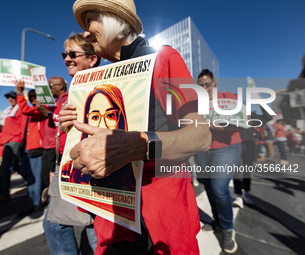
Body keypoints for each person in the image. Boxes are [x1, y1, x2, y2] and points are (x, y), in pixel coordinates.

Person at [60, 1, 211, 254]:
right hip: (112, 216)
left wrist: (140, 146)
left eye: (90, 22)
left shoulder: (163, 58)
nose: (86, 33)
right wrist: (73, 126)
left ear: (115, 21)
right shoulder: (98, 80)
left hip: (161, 219)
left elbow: (201, 136)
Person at [40, 33, 100, 255]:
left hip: (87, 168)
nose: (66, 58)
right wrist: (57, 167)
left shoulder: (96, 88)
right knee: (59, 223)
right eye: (65, 54)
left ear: (92, 59)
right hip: (66, 166)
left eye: (73, 54)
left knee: (93, 230)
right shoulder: (74, 91)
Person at [194, 69, 241, 253]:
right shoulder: (197, 104)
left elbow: (239, 121)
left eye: (207, 84)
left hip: (227, 146)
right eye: (201, 85)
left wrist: (218, 126)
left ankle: (228, 228)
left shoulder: (227, 96)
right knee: (207, 184)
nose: (204, 88)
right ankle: (218, 222)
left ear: (214, 83)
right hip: (204, 149)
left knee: (219, 187)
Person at [61, 84, 136, 191]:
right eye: (95, 117)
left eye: (110, 115)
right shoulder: (69, 170)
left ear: (121, 119)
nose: (102, 124)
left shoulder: (136, 169)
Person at [0, 91, 28, 204]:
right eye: (8, 97)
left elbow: (23, 127)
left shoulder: (20, 109)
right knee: (17, 166)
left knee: (5, 168)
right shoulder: (9, 111)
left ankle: (3, 193)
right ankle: (37, 184)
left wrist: (21, 141)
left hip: (14, 141)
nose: (10, 99)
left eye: (12, 97)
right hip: (8, 142)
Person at [16, 84, 48, 210]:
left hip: (38, 149)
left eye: (35, 96)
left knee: (36, 178)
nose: (33, 99)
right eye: (30, 97)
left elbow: (24, 109)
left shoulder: (42, 109)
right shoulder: (31, 112)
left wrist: (20, 93)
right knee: (30, 177)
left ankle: (35, 204)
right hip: (27, 148)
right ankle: (35, 201)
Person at [232, 127, 255, 208]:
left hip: (248, 146)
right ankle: (238, 196)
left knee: (247, 171)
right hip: (234, 143)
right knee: (237, 172)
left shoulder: (252, 116)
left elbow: (267, 116)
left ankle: (246, 193)